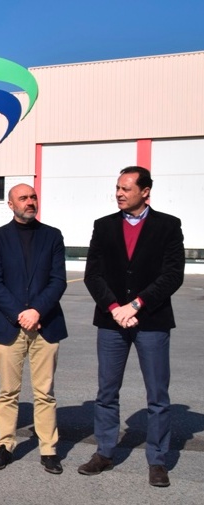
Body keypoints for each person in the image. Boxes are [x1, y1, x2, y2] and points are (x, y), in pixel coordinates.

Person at [78, 166, 184, 488]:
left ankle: (157, 460)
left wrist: (136, 305)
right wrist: (114, 308)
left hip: (151, 321)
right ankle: (105, 453)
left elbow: (172, 275)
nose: (119, 193)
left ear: (145, 191)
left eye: (126, 188)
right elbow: (92, 274)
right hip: (112, 323)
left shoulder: (168, 226)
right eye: (117, 188)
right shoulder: (104, 226)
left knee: (157, 396)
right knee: (106, 392)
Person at [0, 184, 67, 474]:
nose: (30, 202)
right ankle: (4, 446)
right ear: (11, 204)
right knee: (8, 391)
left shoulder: (52, 236)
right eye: (23, 198)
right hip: (8, 326)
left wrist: (37, 311)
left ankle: (48, 449)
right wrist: (21, 314)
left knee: (45, 392)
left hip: (46, 324)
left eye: (33, 197)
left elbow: (58, 280)